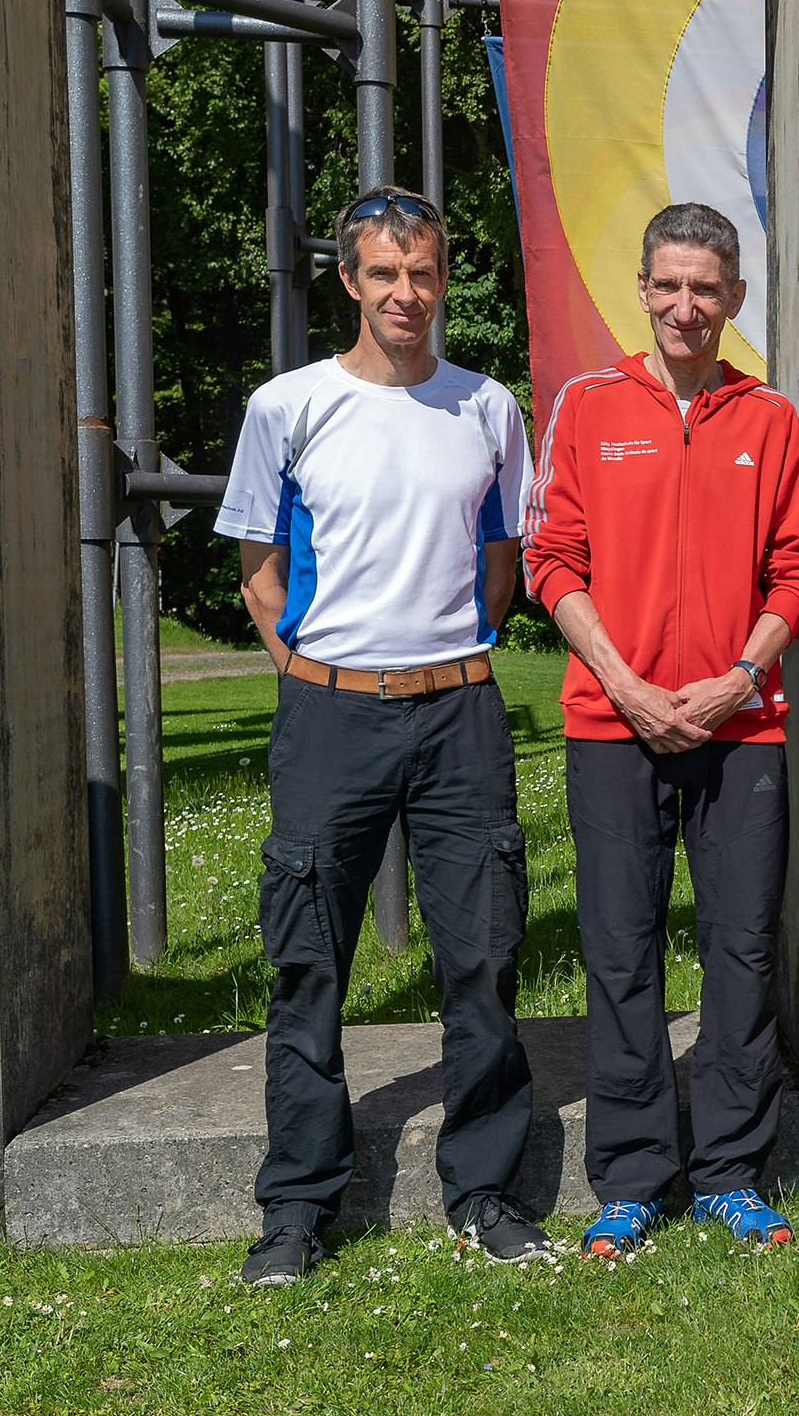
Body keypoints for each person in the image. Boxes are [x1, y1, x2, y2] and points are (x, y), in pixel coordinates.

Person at [218, 186, 550, 1287]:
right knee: (308, 963)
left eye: (424, 273)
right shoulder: (287, 407)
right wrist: (309, 674)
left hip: (459, 711)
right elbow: (259, 563)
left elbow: (501, 558)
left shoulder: (488, 408)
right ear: (351, 282)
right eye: (385, 274)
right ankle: (297, 1209)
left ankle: (487, 1193)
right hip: (331, 713)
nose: (407, 293)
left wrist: (453, 652)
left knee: (484, 957)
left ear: (443, 280)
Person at [523, 204, 799, 1257]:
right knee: (620, 951)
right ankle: (635, 1175)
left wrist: (742, 675)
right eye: (670, 286)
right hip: (614, 725)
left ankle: (733, 1173)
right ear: (642, 289)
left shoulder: (771, 420)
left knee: (741, 950)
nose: (687, 306)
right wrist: (628, 684)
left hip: (741, 729)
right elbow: (551, 560)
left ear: (734, 298)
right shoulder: (588, 405)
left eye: (708, 289)